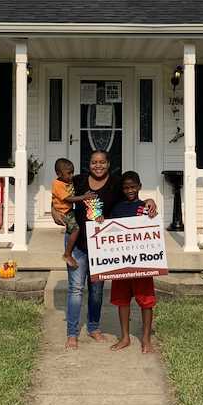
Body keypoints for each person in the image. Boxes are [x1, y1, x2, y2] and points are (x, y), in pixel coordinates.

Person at [64, 150, 158, 350]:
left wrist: (151, 201)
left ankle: (94, 327)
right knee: (76, 289)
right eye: (93, 162)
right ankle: (72, 334)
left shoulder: (115, 185)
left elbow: (135, 203)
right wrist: (56, 211)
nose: (98, 166)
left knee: (97, 290)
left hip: (105, 249)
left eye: (102, 162)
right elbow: (62, 198)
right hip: (79, 241)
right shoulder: (79, 180)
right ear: (88, 164)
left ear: (108, 164)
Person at [107, 171, 157, 354]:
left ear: (139, 187)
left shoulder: (145, 207)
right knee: (122, 300)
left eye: (133, 187)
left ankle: (146, 339)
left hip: (142, 262)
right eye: (126, 187)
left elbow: (153, 227)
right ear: (122, 189)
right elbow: (108, 231)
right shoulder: (117, 208)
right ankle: (125, 337)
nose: (130, 190)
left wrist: (151, 203)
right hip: (121, 263)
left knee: (146, 300)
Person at [50, 158, 82, 269]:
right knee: (76, 229)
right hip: (63, 212)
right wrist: (84, 197)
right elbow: (68, 199)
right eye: (69, 173)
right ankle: (67, 254)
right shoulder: (57, 184)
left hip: (68, 210)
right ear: (59, 173)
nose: (71, 175)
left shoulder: (67, 181)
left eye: (72, 172)